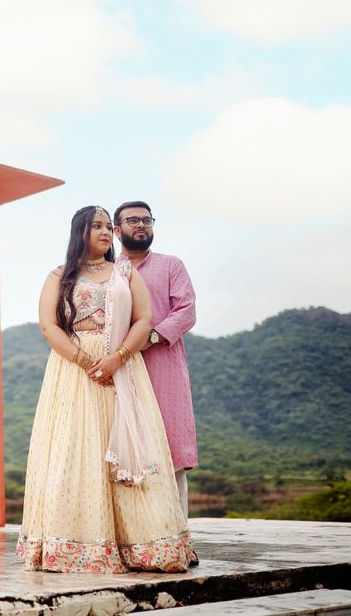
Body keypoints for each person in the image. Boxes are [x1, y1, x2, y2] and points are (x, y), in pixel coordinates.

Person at [16, 205, 197, 573]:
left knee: (131, 452)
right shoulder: (59, 276)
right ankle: (78, 544)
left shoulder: (124, 273)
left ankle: (141, 546)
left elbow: (144, 319)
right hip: (73, 374)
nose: (103, 232)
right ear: (79, 231)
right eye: (95, 226)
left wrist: (118, 357)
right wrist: (86, 362)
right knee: (77, 451)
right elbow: (49, 327)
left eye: (104, 226)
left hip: (123, 369)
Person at [113, 201, 197, 518]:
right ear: (117, 230)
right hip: (121, 371)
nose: (141, 226)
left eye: (146, 220)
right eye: (132, 220)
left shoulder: (171, 266)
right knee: (126, 452)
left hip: (165, 370)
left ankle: (179, 538)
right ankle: (136, 540)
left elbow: (186, 312)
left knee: (171, 455)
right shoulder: (110, 271)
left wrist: (148, 338)